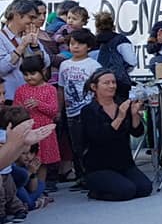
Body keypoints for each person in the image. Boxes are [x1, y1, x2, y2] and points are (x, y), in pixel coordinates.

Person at [81, 68, 151, 202]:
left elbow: (137, 132)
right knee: (126, 191)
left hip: (124, 163)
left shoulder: (121, 103)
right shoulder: (88, 111)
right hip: (99, 166)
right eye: (106, 83)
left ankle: (118, 181)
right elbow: (100, 138)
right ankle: (95, 191)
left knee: (144, 188)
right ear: (94, 87)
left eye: (113, 82)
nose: (112, 86)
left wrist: (134, 114)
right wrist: (120, 117)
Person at [59, 30, 101, 184]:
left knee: (90, 145)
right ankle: (81, 176)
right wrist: (59, 109)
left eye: (79, 44)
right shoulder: (64, 65)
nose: (75, 47)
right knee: (76, 145)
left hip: (88, 110)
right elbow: (61, 88)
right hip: (71, 112)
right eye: (72, 43)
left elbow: (99, 88)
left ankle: (93, 176)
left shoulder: (93, 65)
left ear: (88, 47)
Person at [14, 59, 58, 193]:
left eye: (33, 73)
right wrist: (23, 109)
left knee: (42, 160)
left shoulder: (50, 89)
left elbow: (53, 110)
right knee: (27, 158)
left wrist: (39, 104)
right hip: (28, 129)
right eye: (25, 74)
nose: (29, 77)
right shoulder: (21, 90)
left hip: (44, 129)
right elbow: (15, 109)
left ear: (43, 72)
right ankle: (28, 188)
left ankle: (41, 188)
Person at [1, 0, 50, 101]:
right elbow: (2, 69)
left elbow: (46, 63)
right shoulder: (1, 38)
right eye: (31, 17)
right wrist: (22, 46)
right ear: (17, 15)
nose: (33, 21)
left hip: (32, 100)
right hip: (9, 100)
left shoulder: (28, 35)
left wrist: (35, 46)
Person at [93, 12, 135, 100]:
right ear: (113, 25)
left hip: (97, 83)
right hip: (118, 82)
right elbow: (132, 61)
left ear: (96, 26)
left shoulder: (91, 42)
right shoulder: (121, 39)